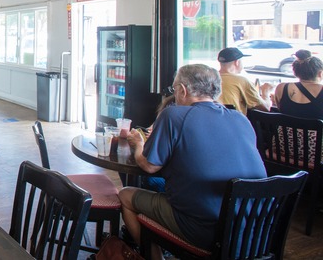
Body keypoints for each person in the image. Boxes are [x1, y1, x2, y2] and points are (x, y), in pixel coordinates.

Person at [119, 64, 266, 259]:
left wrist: (138, 144)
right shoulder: (240, 119)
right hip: (252, 230)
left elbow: (149, 165)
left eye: (174, 89)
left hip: (205, 230)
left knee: (126, 195)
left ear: (182, 90)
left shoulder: (173, 115)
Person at [216, 47, 273, 114]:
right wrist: (266, 92)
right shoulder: (241, 81)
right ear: (237, 62)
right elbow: (265, 108)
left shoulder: (210, 79)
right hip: (234, 122)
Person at [275, 49, 323, 119]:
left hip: (288, 129)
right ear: (320, 73)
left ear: (295, 73)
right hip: (316, 130)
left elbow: (280, 110)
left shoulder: (281, 87)